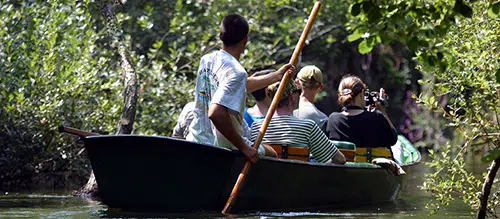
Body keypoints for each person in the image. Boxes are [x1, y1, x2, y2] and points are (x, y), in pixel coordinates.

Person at [186, 14, 294, 163]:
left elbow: (236, 87)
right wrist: (244, 147)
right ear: (245, 40)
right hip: (221, 147)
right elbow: (216, 113)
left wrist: (275, 76)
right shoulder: (237, 72)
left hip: (195, 139)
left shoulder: (208, 60)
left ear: (220, 36)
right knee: (273, 155)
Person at [250, 80, 346, 164]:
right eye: (299, 93)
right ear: (292, 96)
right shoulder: (308, 127)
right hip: (299, 183)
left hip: (265, 183)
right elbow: (339, 159)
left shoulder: (257, 128)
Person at [325, 75, 397, 148]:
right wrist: (382, 111)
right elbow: (393, 139)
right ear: (361, 93)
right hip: (369, 159)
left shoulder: (333, 119)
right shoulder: (376, 117)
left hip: (343, 159)